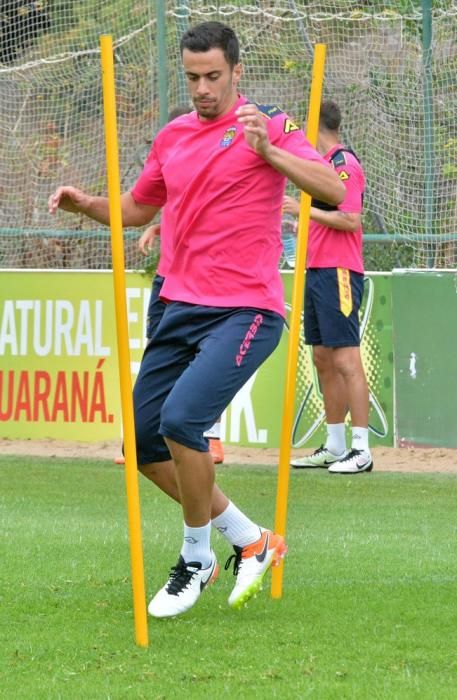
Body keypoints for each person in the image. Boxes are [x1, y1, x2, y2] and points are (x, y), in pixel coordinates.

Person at [48, 21, 344, 618]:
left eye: (213, 76)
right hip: (180, 305)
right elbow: (137, 207)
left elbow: (332, 190)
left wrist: (269, 153)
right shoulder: (174, 136)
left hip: (247, 310)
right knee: (143, 443)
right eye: (192, 78)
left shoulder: (271, 125)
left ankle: (195, 557)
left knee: (184, 419)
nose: (203, 88)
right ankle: (249, 540)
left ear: (237, 72)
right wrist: (87, 207)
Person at [287, 99, 372, 474]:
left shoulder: (343, 165)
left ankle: (362, 449)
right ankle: (335, 444)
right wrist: (304, 224)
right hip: (316, 269)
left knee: (346, 359)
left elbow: (351, 219)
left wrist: (300, 210)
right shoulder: (319, 169)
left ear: (315, 125)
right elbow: (327, 218)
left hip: (339, 271)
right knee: (322, 358)